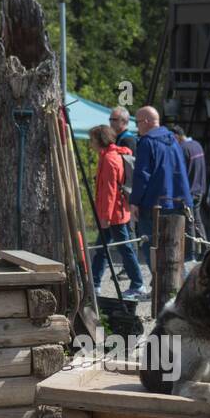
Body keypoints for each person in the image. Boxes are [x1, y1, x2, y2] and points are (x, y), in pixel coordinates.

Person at [88, 125, 146, 298]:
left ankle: (138, 283)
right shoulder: (108, 156)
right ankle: (95, 283)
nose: (90, 143)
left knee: (124, 248)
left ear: (100, 140)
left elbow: (109, 191)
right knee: (102, 248)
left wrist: (105, 216)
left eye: (92, 139)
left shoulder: (109, 159)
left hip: (114, 214)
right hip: (114, 212)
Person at [129, 105, 191, 261]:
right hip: (177, 202)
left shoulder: (147, 142)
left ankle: (161, 284)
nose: (137, 127)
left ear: (146, 121)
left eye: (137, 122)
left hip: (153, 204)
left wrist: (134, 202)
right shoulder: (174, 142)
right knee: (173, 248)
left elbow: (142, 175)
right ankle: (175, 284)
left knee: (151, 247)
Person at [172, 124, 207, 241]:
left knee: (189, 223)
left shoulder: (182, 149)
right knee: (197, 221)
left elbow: (179, 173)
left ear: (176, 136)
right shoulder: (197, 145)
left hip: (188, 191)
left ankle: (191, 254)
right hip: (199, 189)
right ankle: (206, 249)